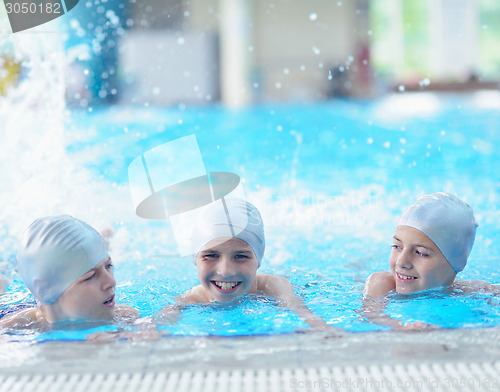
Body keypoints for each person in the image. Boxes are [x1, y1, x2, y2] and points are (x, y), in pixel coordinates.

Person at [160, 197, 333, 330]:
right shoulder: (192, 298)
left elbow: (304, 314)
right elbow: (159, 321)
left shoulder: (274, 286)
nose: (225, 271)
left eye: (240, 256)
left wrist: (321, 328)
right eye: (211, 255)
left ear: (258, 259)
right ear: (195, 260)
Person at [363, 192, 498, 330]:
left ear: (456, 261)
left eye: (420, 253)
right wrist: (401, 327)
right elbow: (372, 316)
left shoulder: (464, 290)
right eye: (397, 246)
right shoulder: (382, 283)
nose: (401, 262)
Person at [0, 215, 139, 330]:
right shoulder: (11, 328)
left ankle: (103, 238)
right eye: (90, 277)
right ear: (46, 289)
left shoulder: (126, 316)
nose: (111, 282)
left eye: (109, 266)